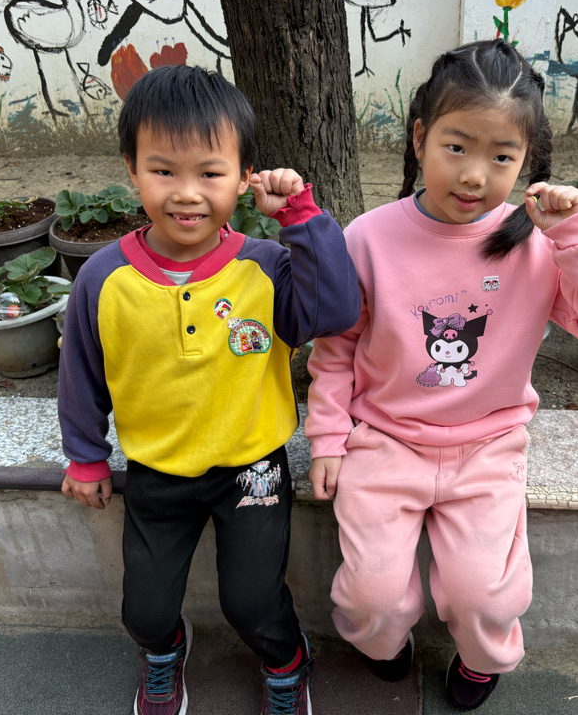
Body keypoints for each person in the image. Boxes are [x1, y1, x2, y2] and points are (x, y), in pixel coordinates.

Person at [305, 39, 578, 711]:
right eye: (456, 147)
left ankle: (482, 661)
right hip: (384, 439)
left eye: (502, 157)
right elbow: (337, 345)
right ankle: (383, 647)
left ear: (527, 160)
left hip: (487, 446)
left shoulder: (539, 243)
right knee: (371, 593)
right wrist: (328, 437)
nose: (475, 175)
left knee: (483, 594)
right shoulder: (368, 237)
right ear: (420, 138)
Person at [58, 64, 360, 715]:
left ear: (244, 175)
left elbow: (336, 311)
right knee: (144, 610)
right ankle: (164, 651)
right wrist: (85, 456)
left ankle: (287, 661)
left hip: (253, 467)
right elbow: (81, 373)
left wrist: (301, 218)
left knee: (252, 602)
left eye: (210, 173)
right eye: (163, 171)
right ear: (132, 169)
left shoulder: (267, 266)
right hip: (157, 470)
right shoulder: (103, 280)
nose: (187, 194)